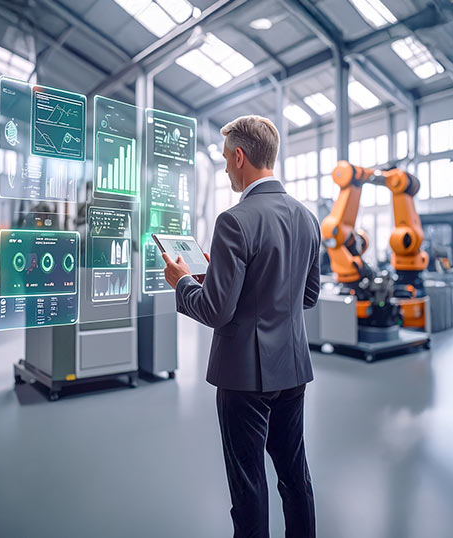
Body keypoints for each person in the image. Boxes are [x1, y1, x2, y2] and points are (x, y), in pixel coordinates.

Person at [161, 115, 320, 538]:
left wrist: (183, 284)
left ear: (240, 155)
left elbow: (216, 311)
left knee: (248, 486)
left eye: (228, 161)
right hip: (293, 368)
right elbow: (306, 296)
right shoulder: (307, 218)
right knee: (294, 475)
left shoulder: (234, 220)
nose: (228, 169)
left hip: (244, 377)